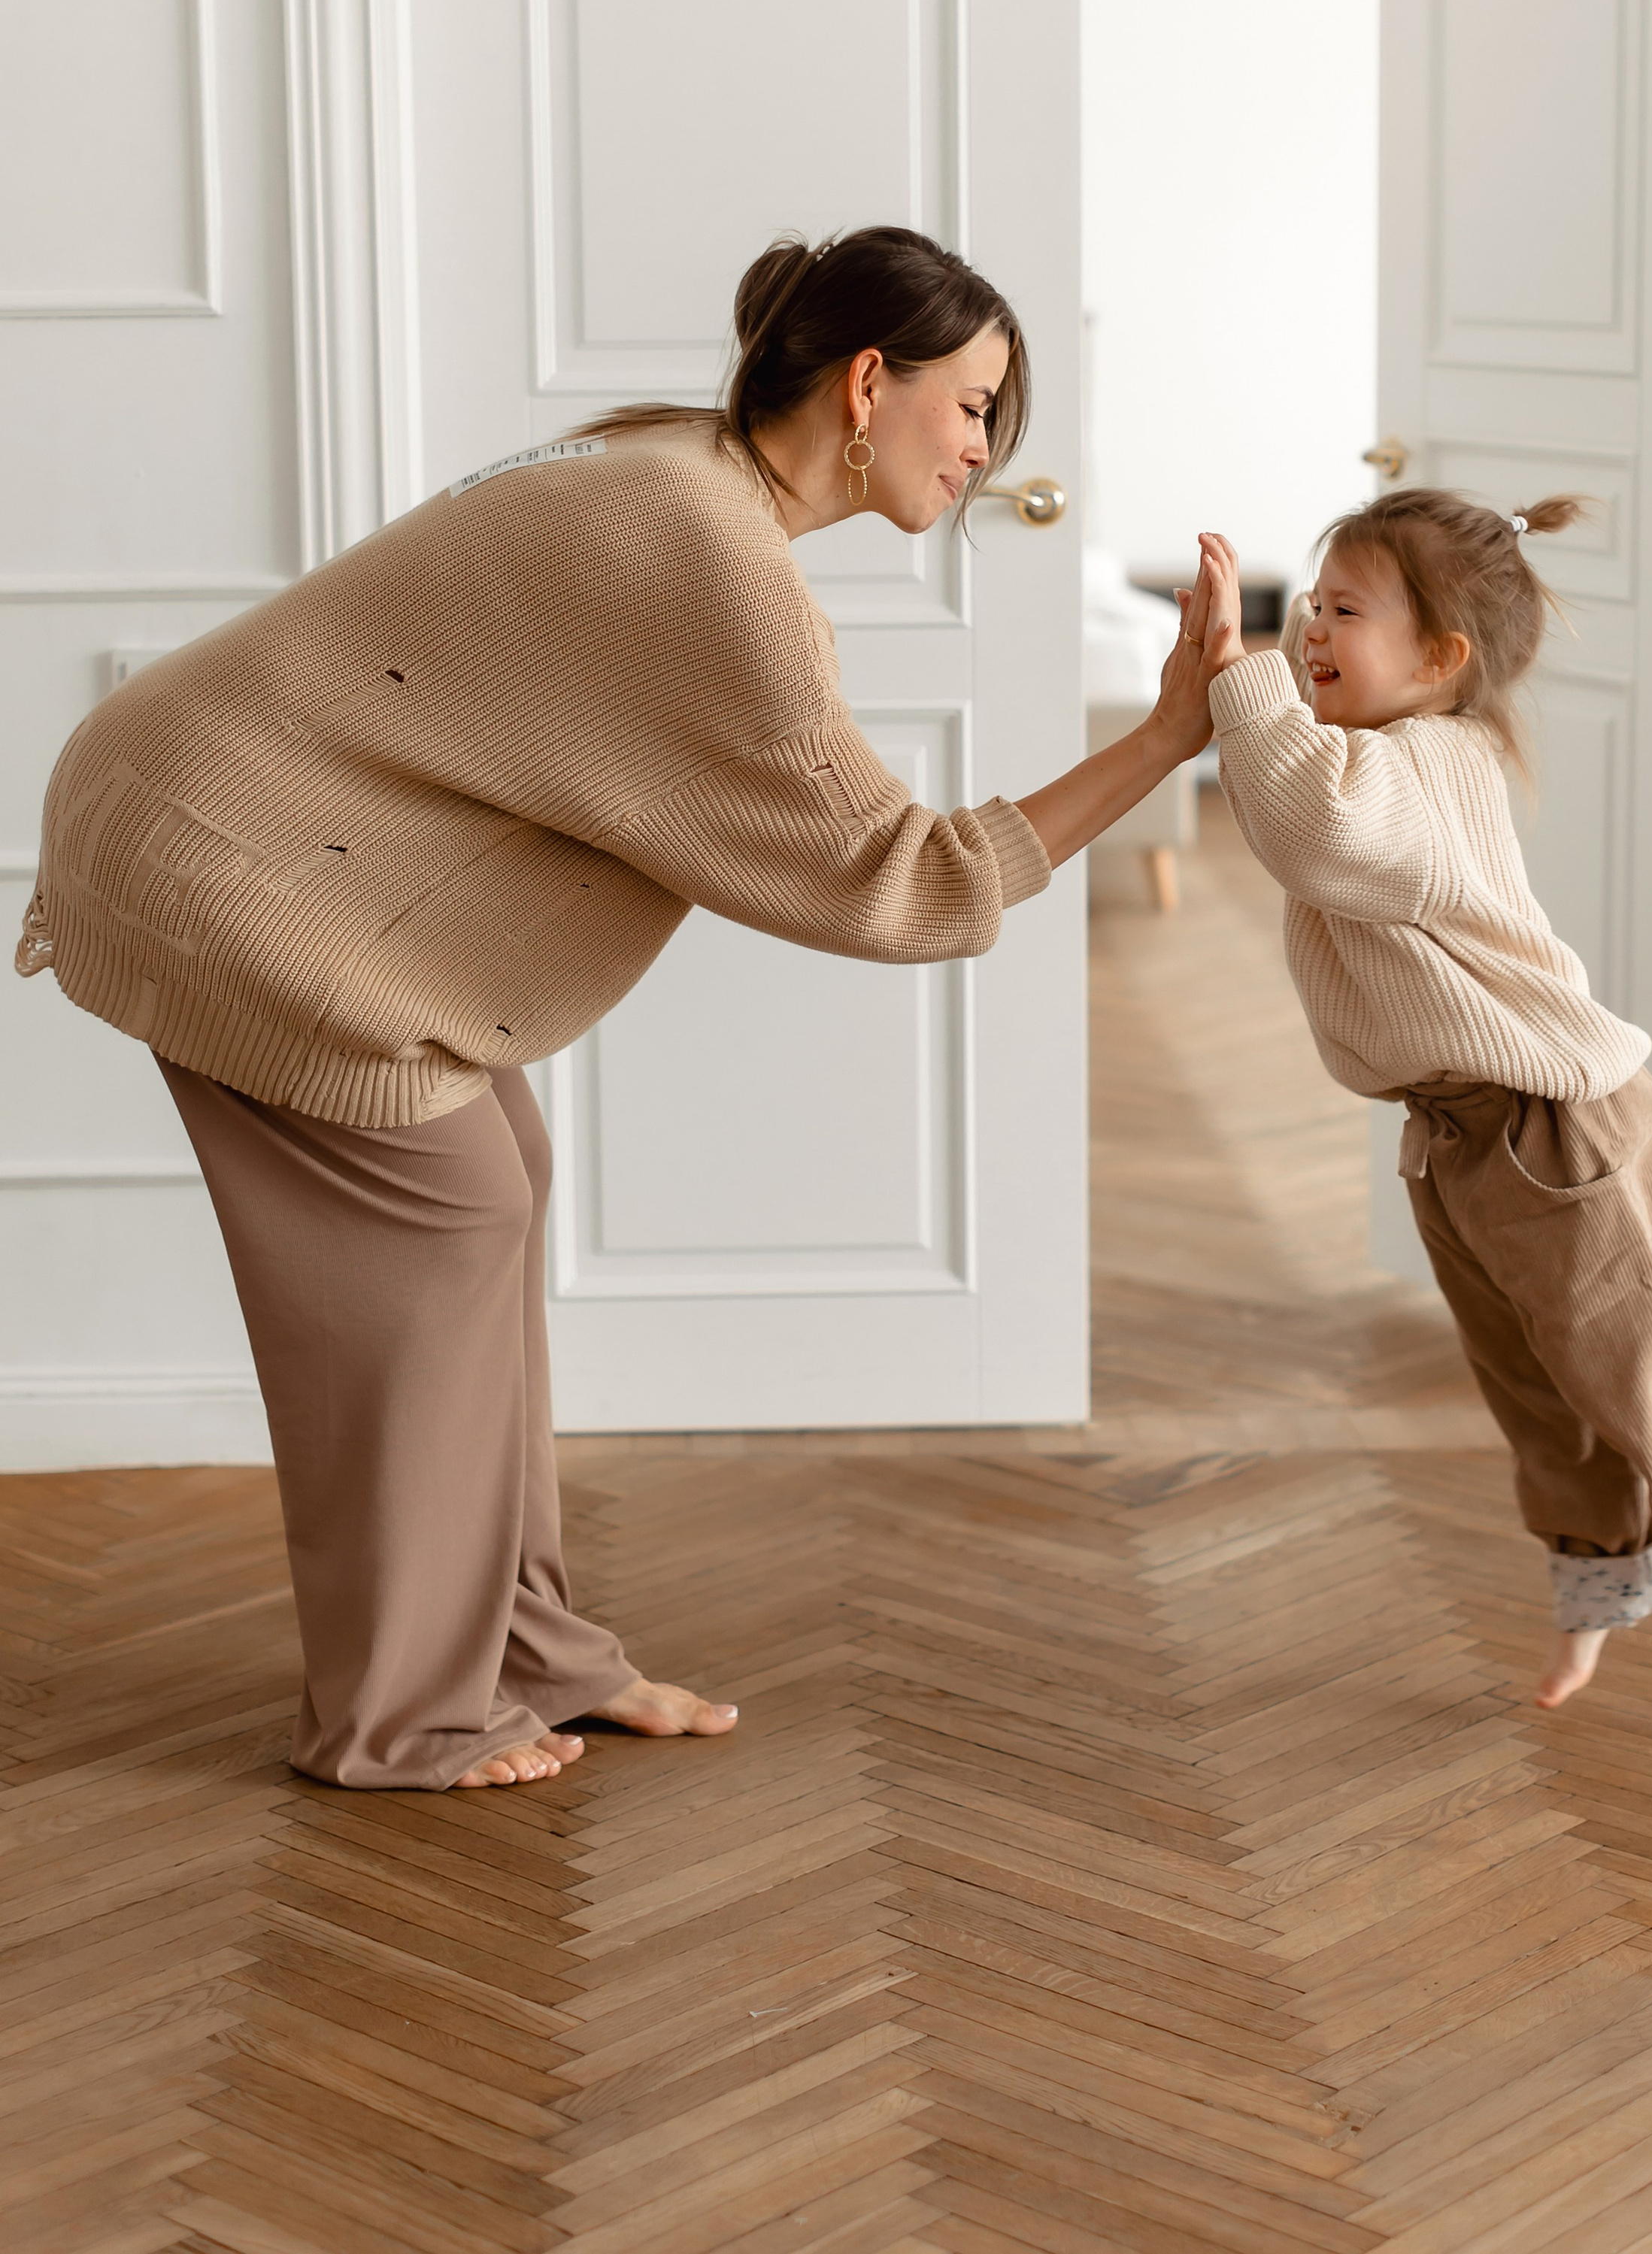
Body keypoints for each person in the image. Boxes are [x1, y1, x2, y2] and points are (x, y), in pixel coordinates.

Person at [17, 226, 1226, 1790]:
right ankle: (402, 1715)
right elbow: (908, 885)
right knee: (443, 1221)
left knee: (493, 1184)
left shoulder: (679, 470)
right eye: (976, 405)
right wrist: (1159, 737)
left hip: (231, 831)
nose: (986, 451)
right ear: (870, 382)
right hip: (221, 870)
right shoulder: (712, 553)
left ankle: (523, 1654)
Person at [1193, 496, 1652, 1709]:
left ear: (1440, 660)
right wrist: (1249, 681)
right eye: (1310, 604)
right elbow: (1298, 790)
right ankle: (1604, 1586)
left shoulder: (1424, 769)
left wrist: (1238, 672)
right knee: (1538, 1384)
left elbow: (1304, 823)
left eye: (1346, 612)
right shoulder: (1366, 756)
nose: (1311, 629)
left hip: (1557, 1130)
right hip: (1457, 1137)